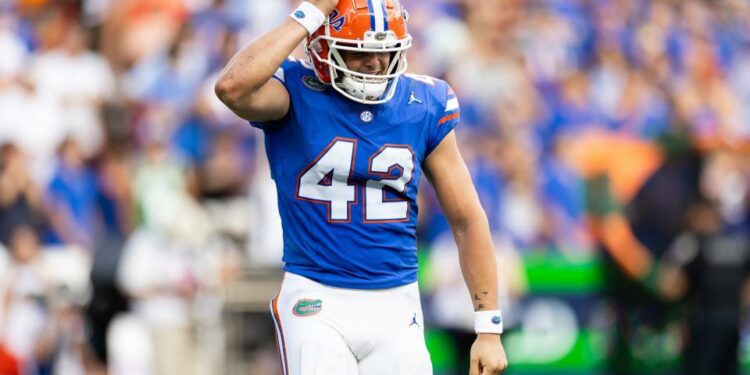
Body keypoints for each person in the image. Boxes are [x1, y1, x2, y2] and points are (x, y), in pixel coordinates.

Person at [215, 0, 508, 374]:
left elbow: (467, 218)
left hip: (397, 302)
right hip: (317, 298)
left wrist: (488, 328)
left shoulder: (423, 103)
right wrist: (309, 15)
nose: (375, 64)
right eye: (360, 53)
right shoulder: (295, 92)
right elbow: (231, 87)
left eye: (385, 51)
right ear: (322, 47)